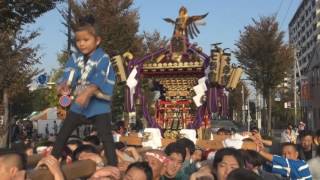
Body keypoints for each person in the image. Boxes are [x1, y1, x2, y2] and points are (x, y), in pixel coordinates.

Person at [51, 15, 117, 166]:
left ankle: (113, 166)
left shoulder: (104, 58)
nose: (81, 44)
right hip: (79, 104)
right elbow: (70, 73)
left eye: (85, 40)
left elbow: (101, 77)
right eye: (78, 41)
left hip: (98, 104)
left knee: (106, 136)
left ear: (97, 40)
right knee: (64, 130)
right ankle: (53, 158)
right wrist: (64, 84)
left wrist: (87, 92)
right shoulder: (75, 58)